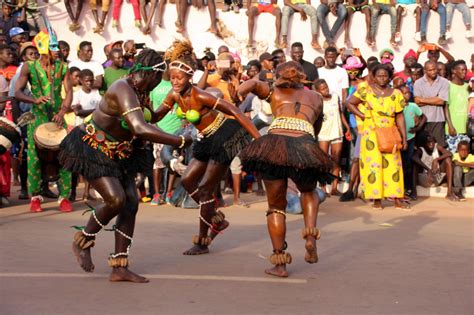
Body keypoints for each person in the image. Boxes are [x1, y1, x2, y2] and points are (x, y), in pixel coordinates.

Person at [59, 48, 192, 283]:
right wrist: (179, 140)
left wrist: (174, 99)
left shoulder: (141, 92)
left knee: (131, 203)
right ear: (149, 74)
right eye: (159, 79)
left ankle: (119, 267)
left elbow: (151, 118)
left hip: (119, 152)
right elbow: (140, 128)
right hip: (94, 148)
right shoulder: (123, 88)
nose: (158, 84)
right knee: (116, 200)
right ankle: (83, 240)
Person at [154, 40, 260, 255]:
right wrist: (136, 111)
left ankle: (202, 241)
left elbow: (236, 112)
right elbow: (156, 116)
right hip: (204, 139)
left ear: (189, 77)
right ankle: (216, 219)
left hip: (224, 137)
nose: (175, 81)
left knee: (204, 190)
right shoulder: (174, 95)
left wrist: (258, 138)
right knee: (187, 180)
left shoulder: (200, 95)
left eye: (179, 78)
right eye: (172, 77)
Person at [237, 61, 333, 277]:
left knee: (276, 207)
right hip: (305, 144)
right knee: (308, 191)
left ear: (279, 76)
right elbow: (315, 129)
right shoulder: (317, 97)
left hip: (274, 145)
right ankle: (310, 237)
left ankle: (280, 264)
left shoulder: (273, 90)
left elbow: (248, 87)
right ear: (302, 77)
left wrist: (246, 87)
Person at [14, 29, 73, 212]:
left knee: (64, 156)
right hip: (37, 117)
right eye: (53, 46)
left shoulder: (63, 67)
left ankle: (64, 197)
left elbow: (69, 91)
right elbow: (16, 92)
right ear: (43, 47)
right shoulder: (28, 67)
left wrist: (63, 111)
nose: (57, 49)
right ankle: (35, 197)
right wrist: (34, 100)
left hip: (57, 117)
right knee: (34, 158)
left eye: (57, 46)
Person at [347, 64, 408, 210]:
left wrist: (404, 138)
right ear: (373, 77)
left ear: (389, 77)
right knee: (373, 166)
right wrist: (363, 115)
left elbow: (400, 116)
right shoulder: (365, 90)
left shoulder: (396, 94)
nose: (382, 78)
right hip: (371, 133)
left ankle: (397, 200)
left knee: (394, 166)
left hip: (390, 131)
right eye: (379, 76)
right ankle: (377, 200)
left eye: (385, 76)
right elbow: (349, 102)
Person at [314, 79, 349, 196]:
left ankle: (334, 187)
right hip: (323, 132)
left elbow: (340, 113)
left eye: (326, 87)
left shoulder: (335, 97)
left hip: (337, 131)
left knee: (336, 159)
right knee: (323, 161)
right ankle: (323, 188)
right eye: (323, 89)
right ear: (318, 91)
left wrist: (347, 127)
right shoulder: (317, 100)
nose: (326, 90)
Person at [340, 56, 365, 202]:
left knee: (359, 157)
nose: (352, 73)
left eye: (355, 70)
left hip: (366, 126)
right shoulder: (347, 84)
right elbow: (347, 104)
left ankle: (356, 188)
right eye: (350, 70)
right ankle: (352, 188)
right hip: (353, 124)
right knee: (354, 157)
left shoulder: (363, 84)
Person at [414, 61, 450, 147]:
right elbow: (416, 102)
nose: (433, 72)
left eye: (434, 69)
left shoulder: (444, 82)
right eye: (430, 70)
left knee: (439, 145)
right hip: (422, 119)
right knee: (422, 146)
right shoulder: (418, 82)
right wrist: (435, 98)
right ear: (425, 70)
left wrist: (422, 99)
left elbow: (441, 101)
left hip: (438, 119)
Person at [412, 131, 457, 200]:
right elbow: (414, 157)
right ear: (424, 143)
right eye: (428, 143)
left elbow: (450, 153)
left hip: (437, 177)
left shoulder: (436, 146)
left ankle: (449, 193)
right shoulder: (421, 149)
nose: (431, 144)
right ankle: (414, 192)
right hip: (426, 179)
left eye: (432, 142)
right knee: (415, 164)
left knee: (448, 159)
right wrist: (428, 169)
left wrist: (436, 160)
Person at [399, 85, 426, 199]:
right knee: (399, 164)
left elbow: (423, 116)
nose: (406, 95)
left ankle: (408, 187)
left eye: (408, 93)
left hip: (410, 138)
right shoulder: (396, 107)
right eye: (403, 93)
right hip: (398, 139)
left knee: (408, 164)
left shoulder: (413, 106)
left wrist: (418, 128)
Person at [445, 60, 469, 152]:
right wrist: (450, 126)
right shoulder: (448, 86)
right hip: (453, 129)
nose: (464, 72)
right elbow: (445, 107)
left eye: (465, 70)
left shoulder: (468, 87)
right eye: (462, 70)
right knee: (453, 157)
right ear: (454, 71)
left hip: (466, 129)